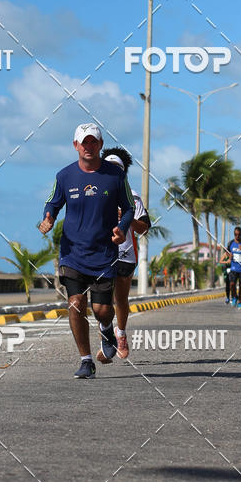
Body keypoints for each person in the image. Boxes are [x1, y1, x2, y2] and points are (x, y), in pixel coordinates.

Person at [39, 124, 134, 378]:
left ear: (100, 145)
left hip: (104, 254)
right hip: (73, 253)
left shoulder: (115, 175)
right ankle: (86, 360)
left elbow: (128, 208)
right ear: (75, 145)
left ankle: (106, 328)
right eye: (84, 142)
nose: (88, 147)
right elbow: (53, 202)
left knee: (102, 310)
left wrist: (122, 228)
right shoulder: (64, 176)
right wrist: (48, 217)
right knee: (76, 303)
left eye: (93, 142)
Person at [101, 147, 151, 358]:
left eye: (117, 168)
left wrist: (127, 217)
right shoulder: (94, 192)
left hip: (125, 253)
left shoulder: (133, 196)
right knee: (101, 301)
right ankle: (106, 336)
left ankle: (120, 334)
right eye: (108, 167)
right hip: (100, 253)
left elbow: (144, 228)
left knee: (120, 298)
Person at [221, 226, 241, 309]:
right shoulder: (230, 243)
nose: (237, 236)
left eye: (239, 234)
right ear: (234, 234)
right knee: (232, 284)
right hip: (234, 268)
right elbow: (227, 252)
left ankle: (240, 302)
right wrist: (229, 256)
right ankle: (234, 297)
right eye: (235, 234)